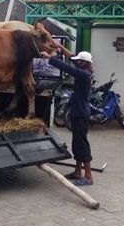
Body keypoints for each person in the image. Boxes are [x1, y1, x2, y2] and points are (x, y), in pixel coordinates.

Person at [40, 44, 95, 186]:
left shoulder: (83, 74)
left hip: (81, 114)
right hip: (78, 112)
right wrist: (61, 48)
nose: (77, 62)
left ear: (84, 63)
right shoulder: (84, 69)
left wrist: (50, 58)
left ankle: (88, 176)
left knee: (82, 145)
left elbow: (68, 67)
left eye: (79, 61)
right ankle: (78, 172)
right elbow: (73, 58)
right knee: (77, 143)